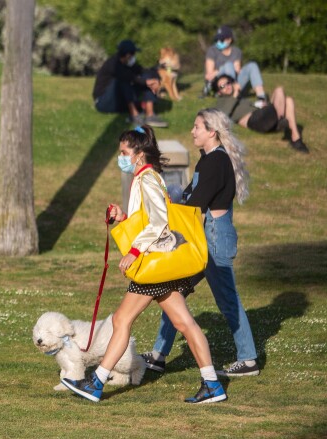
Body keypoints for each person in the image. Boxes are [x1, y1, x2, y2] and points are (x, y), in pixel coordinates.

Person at [61, 126, 225, 404]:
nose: (121, 157)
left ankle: (97, 382)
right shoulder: (146, 178)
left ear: (138, 154)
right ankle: (212, 384)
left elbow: (159, 221)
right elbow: (147, 219)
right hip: (161, 262)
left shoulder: (147, 178)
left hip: (153, 264)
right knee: (184, 322)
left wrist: (135, 251)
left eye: (124, 152)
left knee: (121, 320)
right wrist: (124, 217)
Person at [143, 109, 260, 378]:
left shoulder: (215, 162)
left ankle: (249, 359)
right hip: (204, 237)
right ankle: (159, 355)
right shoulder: (208, 159)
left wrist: (170, 211)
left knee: (227, 300)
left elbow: (196, 204)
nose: (192, 131)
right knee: (174, 292)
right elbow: (191, 197)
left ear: (212, 131)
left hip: (214, 240)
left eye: (197, 127)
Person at [213, 74, 309, 153]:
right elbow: (223, 114)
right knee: (281, 94)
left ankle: (295, 136)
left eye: (228, 83)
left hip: (262, 114)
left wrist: (261, 105)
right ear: (219, 92)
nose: (227, 86)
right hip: (255, 120)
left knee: (286, 97)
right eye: (222, 86)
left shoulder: (240, 98)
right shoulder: (222, 101)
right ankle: (288, 129)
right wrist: (235, 94)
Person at [92, 39, 168, 128]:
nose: (134, 57)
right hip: (103, 101)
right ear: (128, 55)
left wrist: (155, 78)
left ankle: (150, 114)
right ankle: (134, 115)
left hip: (118, 101)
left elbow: (143, 71)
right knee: (122, 81)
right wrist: (146, 82)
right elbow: (127, 77)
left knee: (148, 75)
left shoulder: (128, 63)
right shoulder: (113, 64)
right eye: (133, 54)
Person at [204, 25, 267, 104]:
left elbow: (238, 70)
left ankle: (261, 98)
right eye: (217, 39)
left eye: (221, 39)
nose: (218, 41)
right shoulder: (212, 50)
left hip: (235, 83)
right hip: (219, 86)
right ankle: (232, 92)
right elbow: (209, 76)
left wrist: (236, 70)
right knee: (228, 65)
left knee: (252, 65)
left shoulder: (237, 51)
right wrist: (222, 69)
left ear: (229, 40)